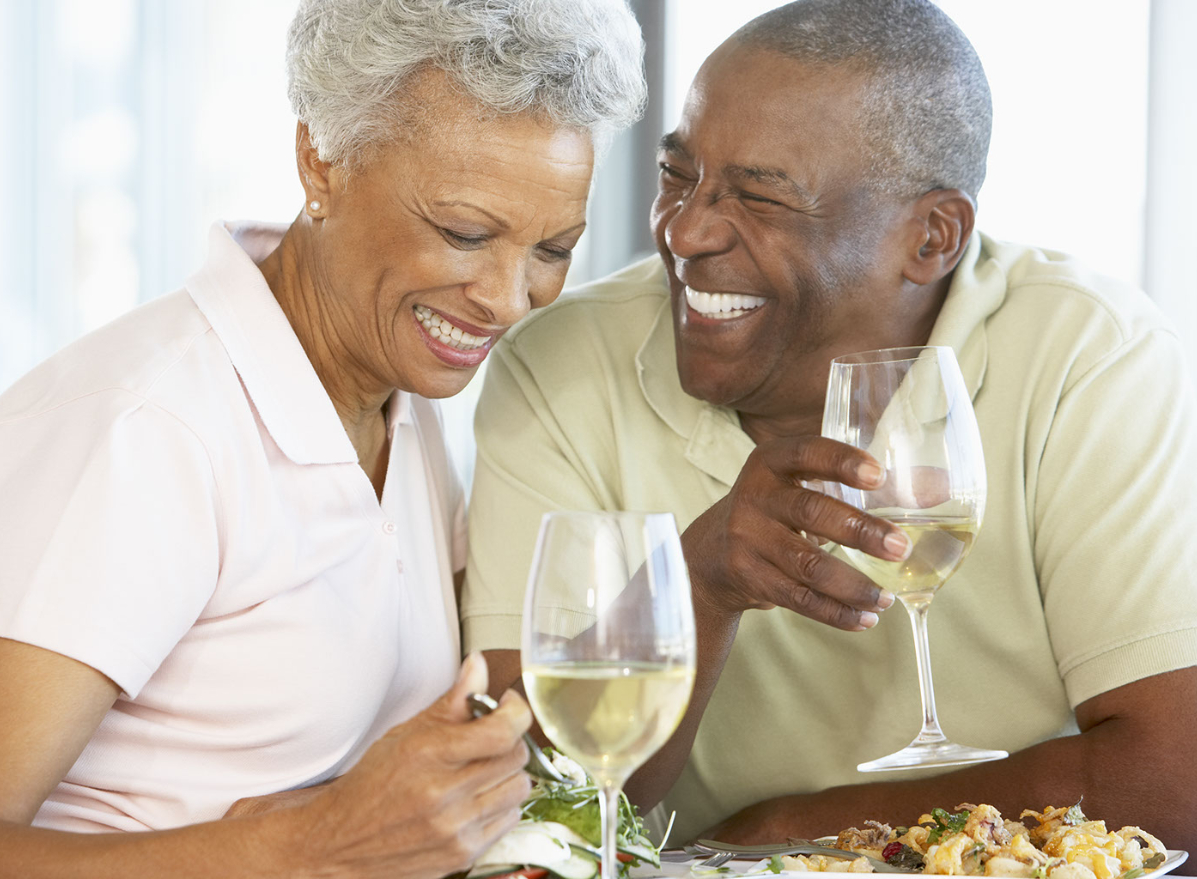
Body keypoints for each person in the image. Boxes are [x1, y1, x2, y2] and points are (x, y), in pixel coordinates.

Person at [461, 0, 1197, 855]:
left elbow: (1176, 778)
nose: (684, 230)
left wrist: (789, 836)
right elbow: (520, 811)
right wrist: (696, 585)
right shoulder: (555, 366)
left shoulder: (1090, 355)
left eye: (762, 197)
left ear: (931, 237)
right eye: (678, 174)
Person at [0, 0, 645, 875]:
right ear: (322, 160)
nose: (506, 298)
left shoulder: (403, 394)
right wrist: (312, 841)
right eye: (463, 233)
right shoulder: (147, 428)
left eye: (553, 248)